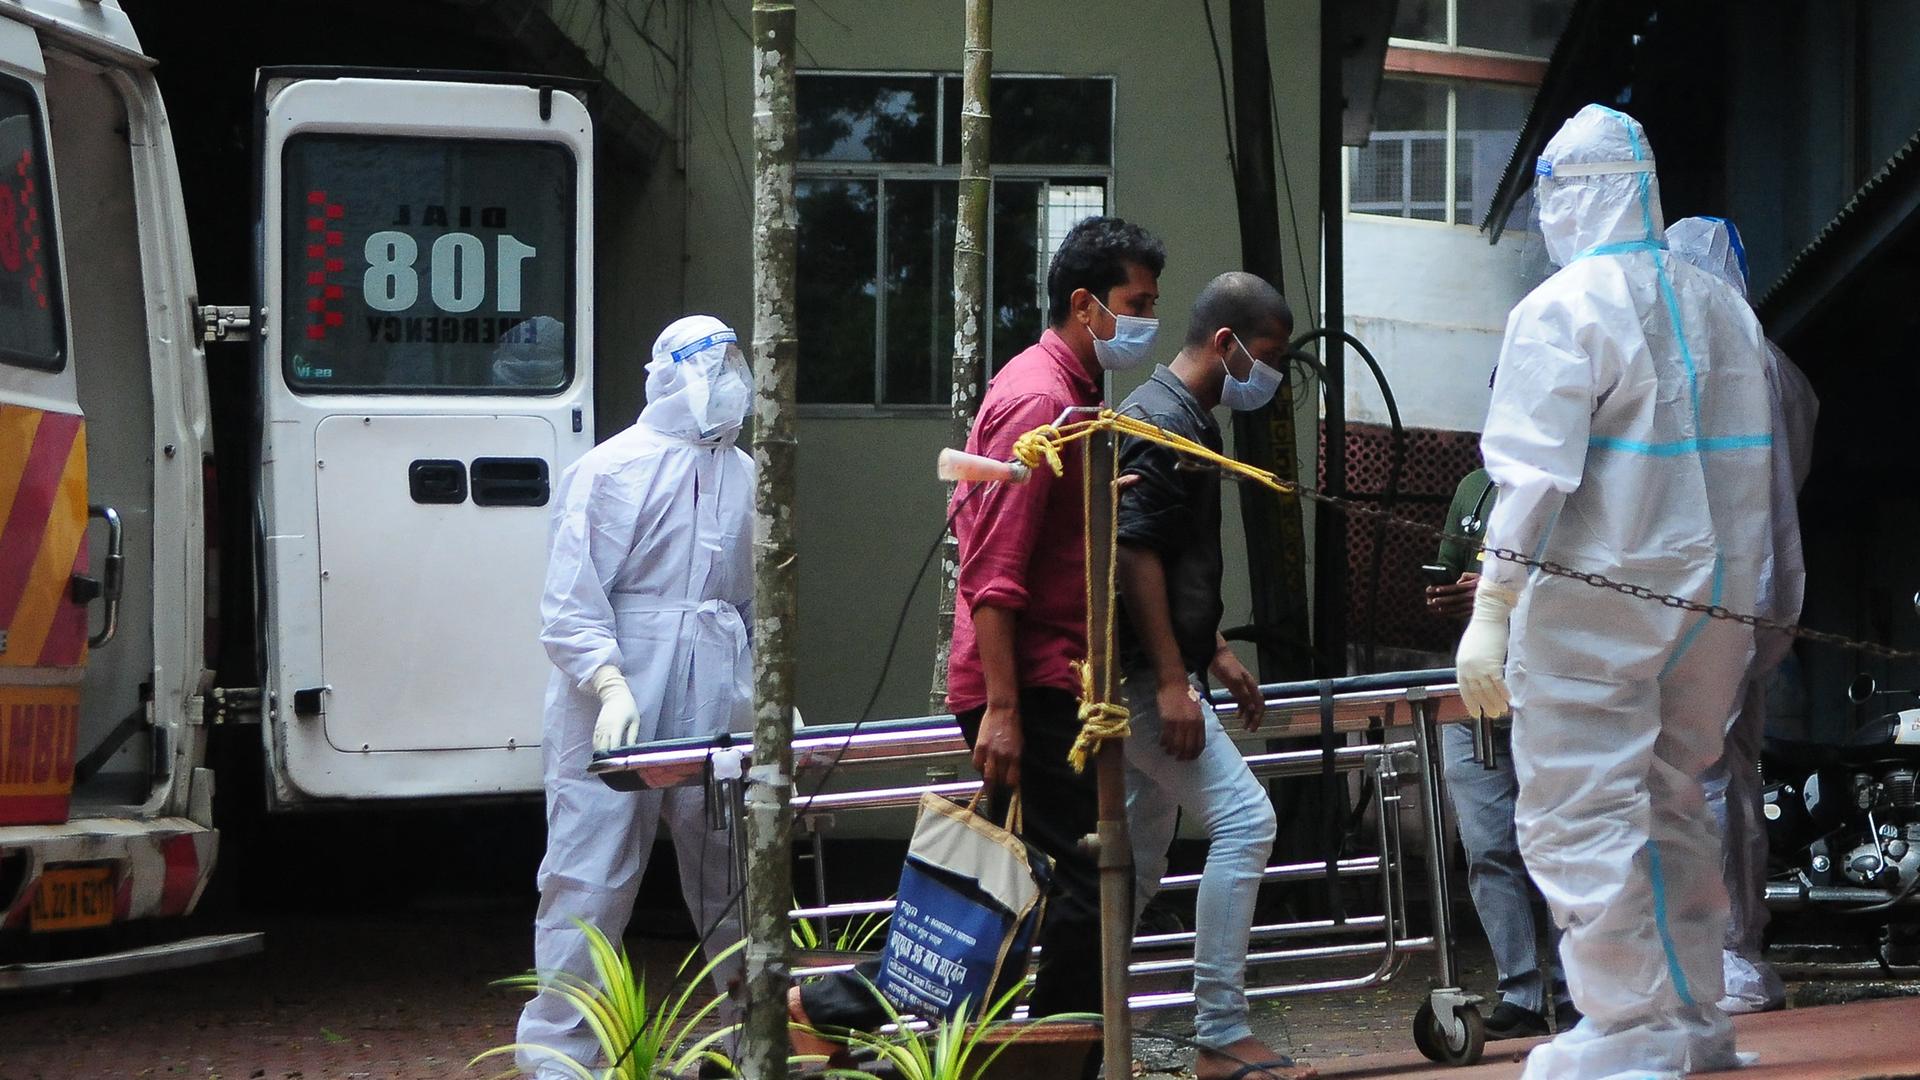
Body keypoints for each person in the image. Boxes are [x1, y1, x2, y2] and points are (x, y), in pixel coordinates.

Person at [1454, 104, 1778, 1079]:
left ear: (1575, 195)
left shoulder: (1564, 308)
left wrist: (1493, 606)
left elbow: (1534, 476)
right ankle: (1692, 1020)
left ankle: (1630, 1034)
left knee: (1580, 811)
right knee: (1674, 801)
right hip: (1713, 599)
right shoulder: (1721, 304)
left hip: (1599, 599)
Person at [791, 217, 1166, 1053]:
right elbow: (993, 571)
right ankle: (1063, 1058)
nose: (1147, 321)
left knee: (1002, 892)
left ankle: (840, 1016)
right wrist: (1000, 708)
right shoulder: (1038, 397)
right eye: (1136, 304)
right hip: (1026, 684)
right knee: (1083, 879)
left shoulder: (1075, 394)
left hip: (1050, 681)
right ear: (1085, 303)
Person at [518, 315, 754, 1079]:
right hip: (619, 689)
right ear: (666, 376)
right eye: (710, 367)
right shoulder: (611, 469)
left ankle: (757, 1042)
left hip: (718, 682)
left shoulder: (746, 473)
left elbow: (752, 601)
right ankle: (559, 1058)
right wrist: (609, 682)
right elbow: (570, 603)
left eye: (733, 363)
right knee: (588, 876)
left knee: (733, 872)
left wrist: (767, 694)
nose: (727, 380)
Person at [1113, 272, 1309, 1080]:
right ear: (1226, 343)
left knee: (1137, 855)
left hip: (1156, 668)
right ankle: (1220, 1029)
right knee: (1247, 821)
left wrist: (1215, 649)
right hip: (1136, 678)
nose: (1266, 376)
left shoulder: (1188, 419)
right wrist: (1169, 679)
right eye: (1263, 356)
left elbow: (1178, 555)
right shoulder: (1155, 423)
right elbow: (1133, 553)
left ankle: (1077, 1016)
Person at [1668, 214, 1819, 1015]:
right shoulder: (1782, 372)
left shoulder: (1708, 365)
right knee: (1734, 773)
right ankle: (1739, 949)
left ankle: (1717, 952)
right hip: (1760, 604)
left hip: (1706, 601)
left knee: (1702, 781)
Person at [1425, 467, 1576, 1040]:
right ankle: (1521, 991)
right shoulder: (1474, 486)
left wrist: (1504, 598)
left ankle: (1576, 990)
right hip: (1475, 686)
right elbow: (1450, 571)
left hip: (1550, 682)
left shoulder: (1575, 482)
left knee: (1559, 844)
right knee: (1487, 845)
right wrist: (1454, 595)